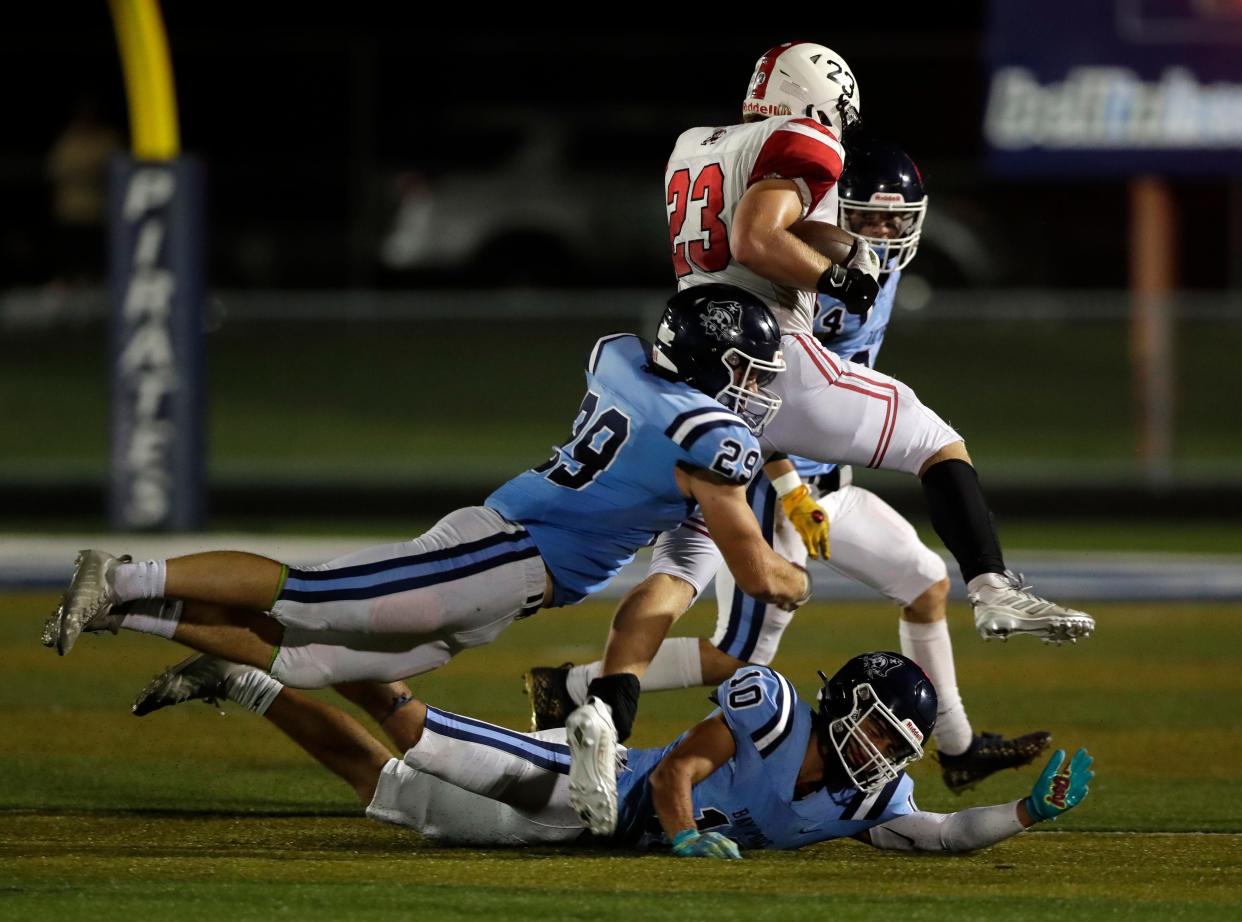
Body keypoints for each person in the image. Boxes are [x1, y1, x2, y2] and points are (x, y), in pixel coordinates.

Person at [565, 41, 1094, 834]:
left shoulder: (697, 144)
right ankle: (994, 585)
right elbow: (759, 238)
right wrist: (840, 273)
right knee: (932, 443)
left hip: (703, 368)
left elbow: (749, 229)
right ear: (822, 107)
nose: (876, 229)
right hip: (766, 371)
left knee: (688, 573)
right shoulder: (806, 147)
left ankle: (601, 706)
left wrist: (845, 250)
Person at [41, 284, 809, 745]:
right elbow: (753, 570)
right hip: (508, 551)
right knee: (311, 594)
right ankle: (123, 574)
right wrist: (794, 574)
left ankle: (131, 614)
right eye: (748, 370)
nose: (755, 390)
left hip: (518, 579)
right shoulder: (710, 438)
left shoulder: (628, 363)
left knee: (313, 660)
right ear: (712, 360)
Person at [126, 649, 1093, 857]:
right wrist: (680, 838)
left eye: (899, 741)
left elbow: (937, 831)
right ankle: (312, 636)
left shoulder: (866, 799)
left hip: (575, 841)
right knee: (416, 733)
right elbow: (677, 772)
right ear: (845, 706)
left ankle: (245, 684)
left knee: (388, 787)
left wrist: (1022, 816)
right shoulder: (776, 714)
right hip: (585, 782)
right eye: (879, 724)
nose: (883, 750)